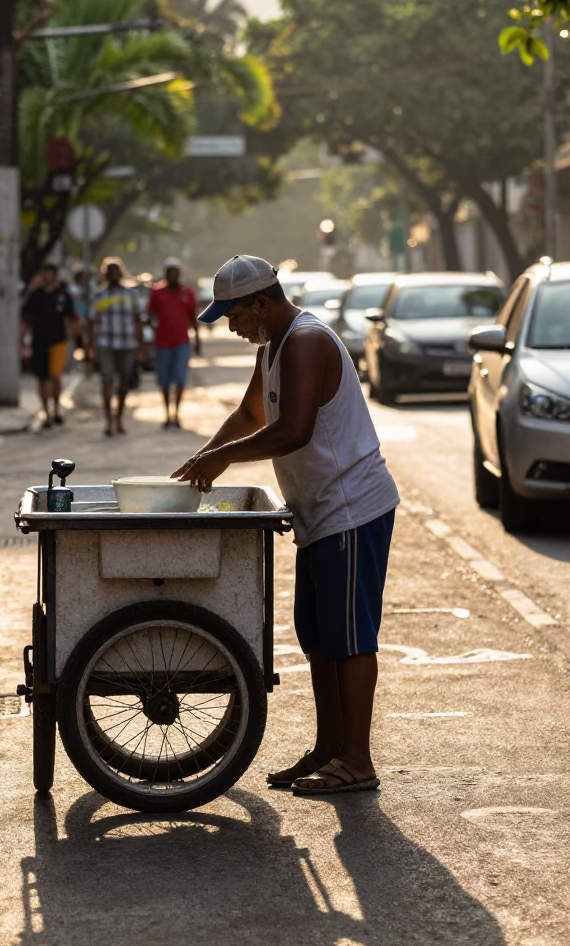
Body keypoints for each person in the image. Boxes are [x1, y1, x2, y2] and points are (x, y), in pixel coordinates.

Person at [173, 254, 399, 797]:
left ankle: (358, 760)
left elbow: (293, 430)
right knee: (318, 638)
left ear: (261, 303)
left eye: (234, 314)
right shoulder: (272, 346)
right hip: (316, 510)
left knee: (349, 639)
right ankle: (330, 748)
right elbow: (251, 415)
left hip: (350, 507)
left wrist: (223, 459)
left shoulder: (305, 341)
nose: (231, 326)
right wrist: (205, 456)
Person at [87, 256, 144, 436]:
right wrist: (90, 347)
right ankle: (108, 421)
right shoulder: (98, 295)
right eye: (109, 272)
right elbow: (91, 323)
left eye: (116, 271)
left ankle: (119, 418)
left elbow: (138, 322)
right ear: (105, 275)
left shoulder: (131, 295)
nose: (113, 275)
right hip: (106, 344)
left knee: (124, 382)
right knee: (107, 381)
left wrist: (141, 347)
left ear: (120, 273)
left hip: (127, 344)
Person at [22, 264, 77, 428]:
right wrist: (21, 339)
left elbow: (71, 318)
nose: (48, 276)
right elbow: (26, 319)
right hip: (39, 342)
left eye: (51, 273)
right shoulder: (35, 296)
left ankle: (56, 410)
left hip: (58, 341)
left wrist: (77, 337)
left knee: (56, 376)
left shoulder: (63, 295)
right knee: (42, 378)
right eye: (45, 273)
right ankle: (46, 413)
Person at [148, 257, 200, 429]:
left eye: (176, 273)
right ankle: (166, 413)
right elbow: (149, 315)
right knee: (164, 380)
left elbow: (193, 318)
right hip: (162, 343)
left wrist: (198, 339)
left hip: (181, 342)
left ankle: (176, 414)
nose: (173, 277)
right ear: (165, 275)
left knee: (180, 378)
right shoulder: (157, 292)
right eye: (170, 273)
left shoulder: (188, 293)